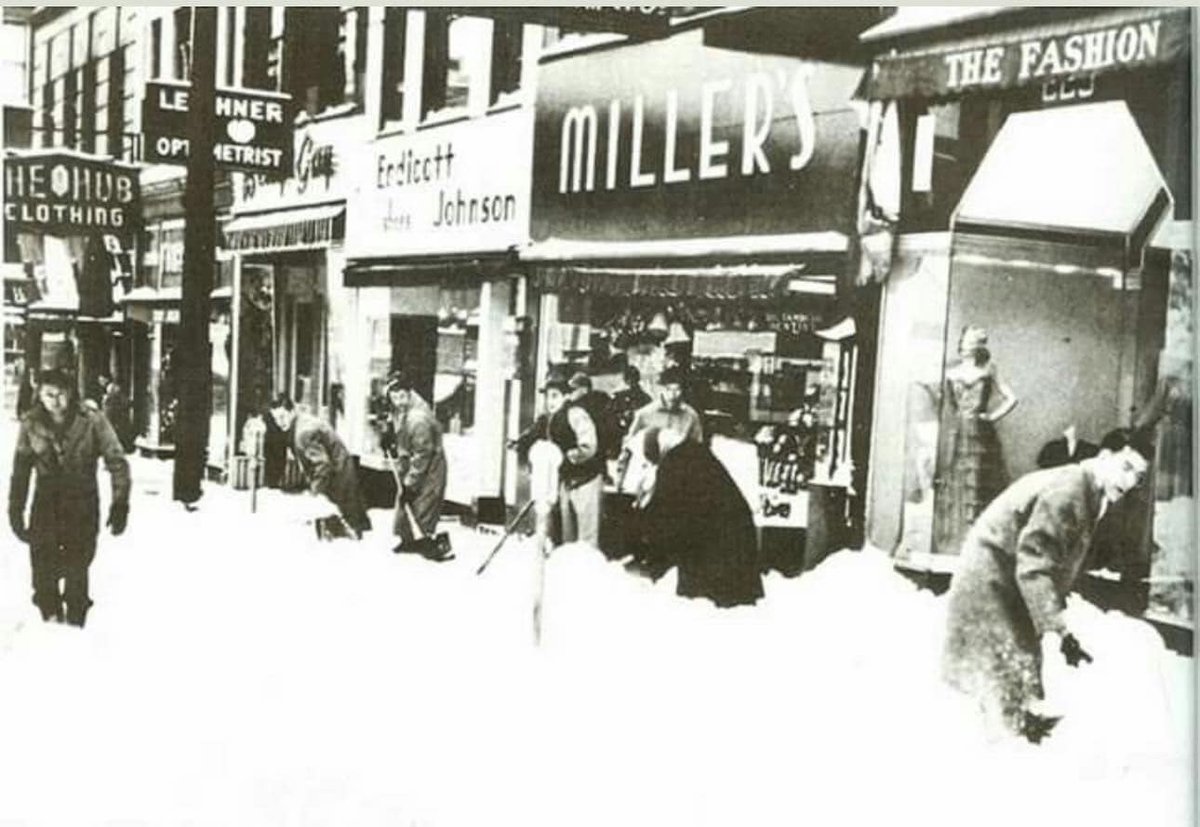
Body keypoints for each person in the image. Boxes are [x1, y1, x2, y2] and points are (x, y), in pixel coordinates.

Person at [941, 428, 1151, 743]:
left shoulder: (1089, 490)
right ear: (1104, 457)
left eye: (1139, 475)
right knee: (1006, 675)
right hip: (992, 584)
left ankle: (1013, 739)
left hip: (1005, 581)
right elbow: (1035, 561)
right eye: (1126, 467)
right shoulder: (1070, 489)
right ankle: (1002, 750)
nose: (1131, 481)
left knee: (1016, 674)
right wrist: (1057, 629)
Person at [8, 369, 130, 627]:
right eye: (49, 394)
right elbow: (20, 471)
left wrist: (120, 503)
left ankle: (75, 628)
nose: (56, 400)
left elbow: (117, 461)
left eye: (61, 394)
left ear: (72, 393)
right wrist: (15, 510)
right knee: (43, 573)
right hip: (46, 505)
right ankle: (51, 621)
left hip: (81, 503)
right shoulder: (31, 424)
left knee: (77, 569)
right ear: (39, 395)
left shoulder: (93, 421)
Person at [632, 426, 763, 607]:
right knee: (731, 596)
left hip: (714, 538)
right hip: (733, 528)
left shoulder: (673, 461)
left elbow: (665, 512)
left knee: (707, 600)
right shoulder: (694, 450)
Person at [933, 326, 1018, 555]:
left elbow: (1012, 398)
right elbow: (946, 404)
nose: (968, 345)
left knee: (980, 484)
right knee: (956, 483)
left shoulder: (989, 369)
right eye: (966, 340)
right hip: (958, 433)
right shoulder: (951, 372)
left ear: (980, 345)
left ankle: (979, 546)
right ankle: (956, 543)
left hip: (981, 435)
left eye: (974, 341)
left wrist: (991, 416)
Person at [268, 394, 371, 540]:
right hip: (340, 473)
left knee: (339, 531)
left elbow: (322, 465)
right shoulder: (302, 422)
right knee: (336, 527)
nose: (279, 422)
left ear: (292, 412)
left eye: (282, 417)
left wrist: (315, 494)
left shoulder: (303, 433)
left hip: (337, 480)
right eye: (276, 418)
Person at [383, 373, 448, 554]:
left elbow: (422, 454)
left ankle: (425, 542)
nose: (398, 402)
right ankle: (408, 540)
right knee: (406, 501)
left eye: (402, 396)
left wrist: (410, 484)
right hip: (413, 463)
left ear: (409, 393)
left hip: (429, 468)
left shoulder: (418, 417)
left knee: (422, 504)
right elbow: (400, 429)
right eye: (394, 398)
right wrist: (389, 437)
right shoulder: (405, 409)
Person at [625, 366, 704, 444]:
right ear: (661, 389)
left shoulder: (691, 416)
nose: (673, 395)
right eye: (668, 389)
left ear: (683, 391)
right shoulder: (644, 414)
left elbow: (697, 447)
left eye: (677, 389)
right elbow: (628, 445)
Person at [568, 371, 619, 460]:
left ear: (584, 389)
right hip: (601, 451)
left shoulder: (581, 406)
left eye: (574, 389)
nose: (570, 393)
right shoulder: (601, 401)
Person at [611, 365, 652, 436]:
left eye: (633, 380)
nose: (631, 382)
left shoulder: (619, 396)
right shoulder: (646, 397)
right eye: (629, 380)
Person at [101, 377, 135, 454]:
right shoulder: (112, 393)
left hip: (114, 417)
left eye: (102, 379)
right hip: (115, 417)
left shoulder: (110, 392)